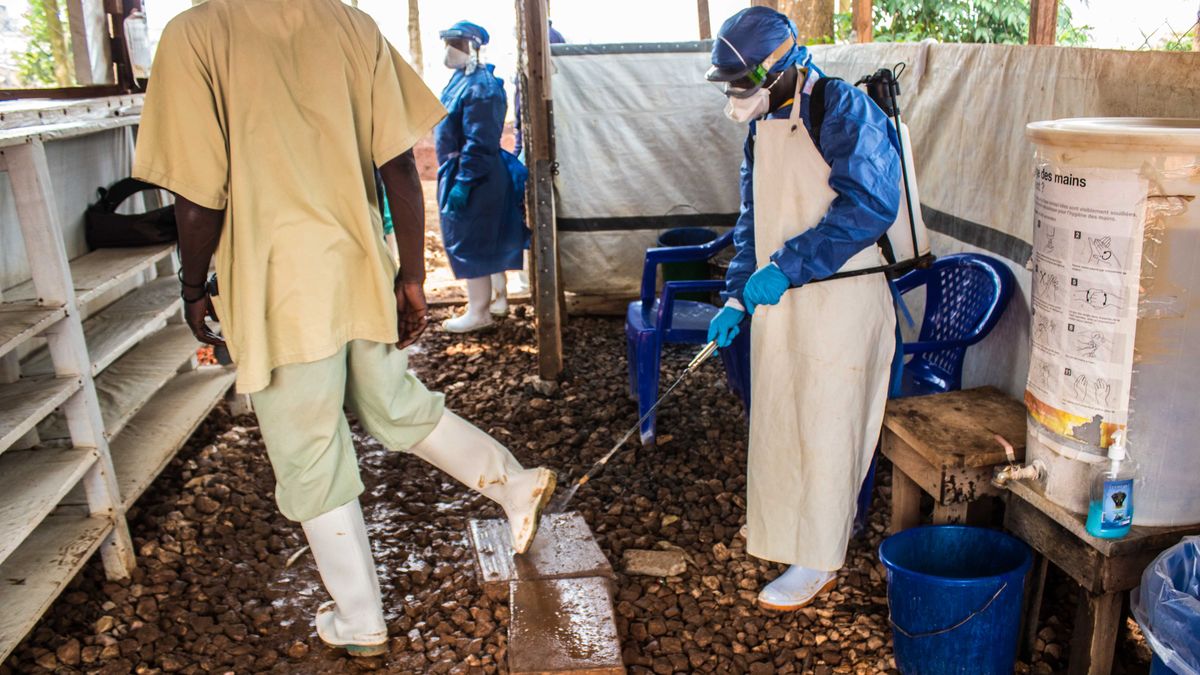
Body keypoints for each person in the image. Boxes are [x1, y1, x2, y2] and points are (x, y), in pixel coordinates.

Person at [133, 0, 556, 657]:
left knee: (307, 447)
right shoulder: (350, 25)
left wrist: (193, 288)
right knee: (394, 404)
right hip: (356, 258)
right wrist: (411, 275)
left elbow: (197, 196)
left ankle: (360, 618)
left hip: (277, 279)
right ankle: (516, 483)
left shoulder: (196, 34)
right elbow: (397, 170)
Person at [704, 7, 902, 611]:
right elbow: (752, 220)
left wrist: (788, 265)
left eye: (743, 83)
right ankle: (790, 532)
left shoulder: (839, 109)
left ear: (779, 64)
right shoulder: (763, 122)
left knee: (827, 424)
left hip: (839, 301)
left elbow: (870, 205)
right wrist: (738, 292)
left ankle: (820, 557)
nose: (738, 97)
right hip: (780, 299)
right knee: (784, 416)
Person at [435, 21, 529, 333]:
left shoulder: (482, 87)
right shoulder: (461, 80)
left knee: (471, 240)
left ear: (474, 47)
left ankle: (479, 312)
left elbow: (480, 141)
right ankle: (495, 300)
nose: (451, 49)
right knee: (481, 238)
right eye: (448, 42)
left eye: (458, 43)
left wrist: (464, 181)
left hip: (475, 176)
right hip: (464, 171)